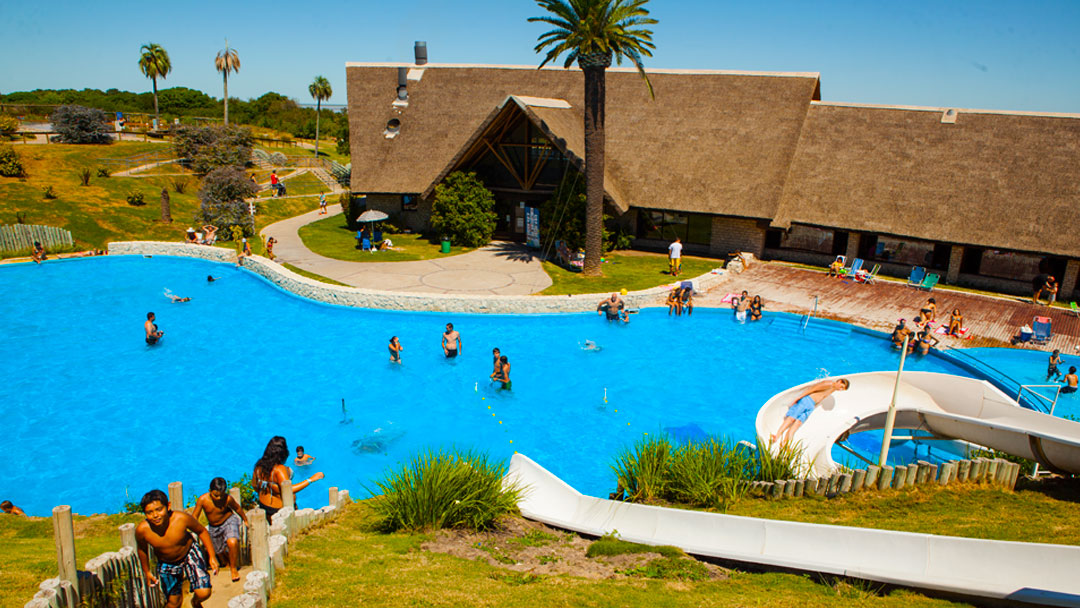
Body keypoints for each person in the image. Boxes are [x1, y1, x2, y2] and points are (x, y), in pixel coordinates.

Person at [135, 489, 218, 608]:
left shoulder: (181, 519)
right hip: (167, 561)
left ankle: (195, 602)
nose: (155, 515)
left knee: (204, 592)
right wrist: (147, 572)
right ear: (144, 513)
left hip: (189, 552)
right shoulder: (143, 530)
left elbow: (202, 531)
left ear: (168, 506)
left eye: (159, 509)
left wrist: (212, 556)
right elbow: (142, 550)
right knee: (174, 603)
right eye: (149, 512)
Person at [252, 436, 324, 523]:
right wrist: (311, 479)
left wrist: (271, 489)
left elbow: (255, 486)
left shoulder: (259, 465)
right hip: (280, 509)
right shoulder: (279, 469)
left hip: (264, 505)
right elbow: (289, 490)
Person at [191, 478, 250, 583]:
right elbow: (194, 517)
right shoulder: (203, 500)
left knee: (232, 542)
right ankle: (227, 562)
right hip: (214, 527)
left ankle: (233, 568)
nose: (219, 498)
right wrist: (193, 530)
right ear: (210, 491)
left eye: (221, 495)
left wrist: (245, 520)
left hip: (228, 520)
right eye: (216, 495)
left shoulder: (228, 499)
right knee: (219, 552)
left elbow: (237, 508)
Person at [771, 378, 850, 446]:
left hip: (811, 406)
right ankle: (777, 436)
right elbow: (812, 389)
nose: (840, 389)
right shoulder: (828, 384)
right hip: (806, 400)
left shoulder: (833, 389)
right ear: (839, 381)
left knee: (797, 424)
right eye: (841, 387)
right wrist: (799, 398)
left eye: (842, 389)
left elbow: (822, 396)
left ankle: (786, 444)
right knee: (791, 419)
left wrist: (814, 406)